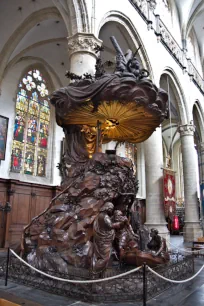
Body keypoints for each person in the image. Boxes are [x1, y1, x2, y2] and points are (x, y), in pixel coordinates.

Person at [92, 202, 124, 273]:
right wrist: (120, 224)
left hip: (104, 239)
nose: (111, 210)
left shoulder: (102, 215)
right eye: (110, 208)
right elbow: (110, 225)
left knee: (105, 257)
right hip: (104, 240)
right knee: (105, 258)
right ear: (107, 207)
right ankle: (94, 272)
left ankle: (100, 273)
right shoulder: (104, 216)